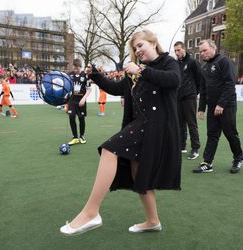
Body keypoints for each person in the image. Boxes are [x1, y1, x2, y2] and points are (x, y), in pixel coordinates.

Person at [60, 29, 181, 236]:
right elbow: (117, 88)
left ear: (153, 42)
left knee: (109, 149)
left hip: (157, 127)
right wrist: (96, 76)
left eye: (140, 45)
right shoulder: (137, 69)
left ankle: (91, 212)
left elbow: (173, 80)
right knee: (137, 172)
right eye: (135, 48)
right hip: (140, 124)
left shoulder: (167, 62)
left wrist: (141, 71)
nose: (137, 50)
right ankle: (153, 220)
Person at [193, 39, 243, 174]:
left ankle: (238, 158)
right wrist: (201, 108)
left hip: (227, 106)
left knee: (230, 133)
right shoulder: (204, 68)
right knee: (212, 134)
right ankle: (207, 163)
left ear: (213, 48)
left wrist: (221, 104)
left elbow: (229, 83)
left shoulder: (224, 61)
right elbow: (203, 90)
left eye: (204, 50)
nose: (202, 53)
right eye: (200, 52)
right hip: (212, 107)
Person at [174, 41, 202, 160]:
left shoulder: (192, 62)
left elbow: (199, 78)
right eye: (175, 50)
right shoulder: (175, 63)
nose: (177, 53)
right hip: (178, 98)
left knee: (192, 123)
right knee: (180, 124)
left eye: (178, 50)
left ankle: (195, 148)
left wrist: (195, 93)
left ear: (184, 49)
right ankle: (182, 146)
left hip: (189, 97)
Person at [67, 59, 92, 145]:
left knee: (81, 118)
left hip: (81, 100)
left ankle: (81, 136)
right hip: (71, 100)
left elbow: (89, 89)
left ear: (80, 67)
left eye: (77, 69)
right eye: (74, 69)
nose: (75, 71)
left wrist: (84, 99)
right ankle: (75, 137)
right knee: (71, 117)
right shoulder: (69, 75)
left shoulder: (85, 75)